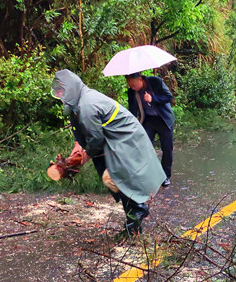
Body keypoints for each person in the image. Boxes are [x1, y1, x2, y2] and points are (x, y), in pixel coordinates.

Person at [51, 69, 166, 235]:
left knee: (112, 178)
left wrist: (84, 158)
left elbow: (96, 139)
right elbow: (84, 128)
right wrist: (78, 145)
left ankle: (137, 213)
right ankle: (134, 221)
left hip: (125, 139)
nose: (60, 95)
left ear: (71, 88)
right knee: (110, 178)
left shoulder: (87, 105)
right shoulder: (79, 99)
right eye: (58, 91)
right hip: (112, 140)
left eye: (62, 90)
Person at [125, 72, 175, 187]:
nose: (132, 88)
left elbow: (168, 97)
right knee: (144, 147)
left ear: (140, 79)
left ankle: (166, 176)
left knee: (167, 149)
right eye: (130, 86)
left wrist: (153, 98)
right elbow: (132, 110)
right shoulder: (132, 92)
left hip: (164, 120)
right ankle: (148, 175)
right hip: (148, 120)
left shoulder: (155, 81)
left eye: (133, 85)